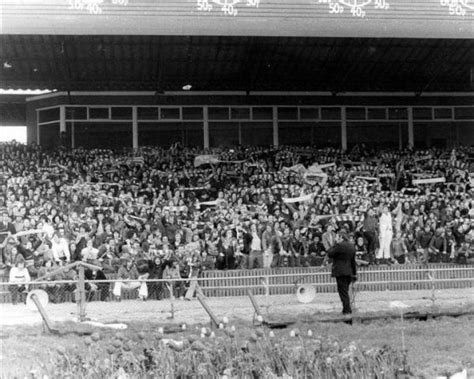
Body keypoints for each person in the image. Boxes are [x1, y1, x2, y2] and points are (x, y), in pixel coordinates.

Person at [327, 232, 357, 316]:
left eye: (336, 236)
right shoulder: (351, 246)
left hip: (341, 272)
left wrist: (334, 244)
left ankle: (347, 311)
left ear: (341, 237)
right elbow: (353, 262)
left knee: (343, 293)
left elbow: (329, 253)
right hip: (349, 272)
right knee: (345, 292)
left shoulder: (339, 246)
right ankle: (346, 309)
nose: (335, 238)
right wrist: (354, 274)